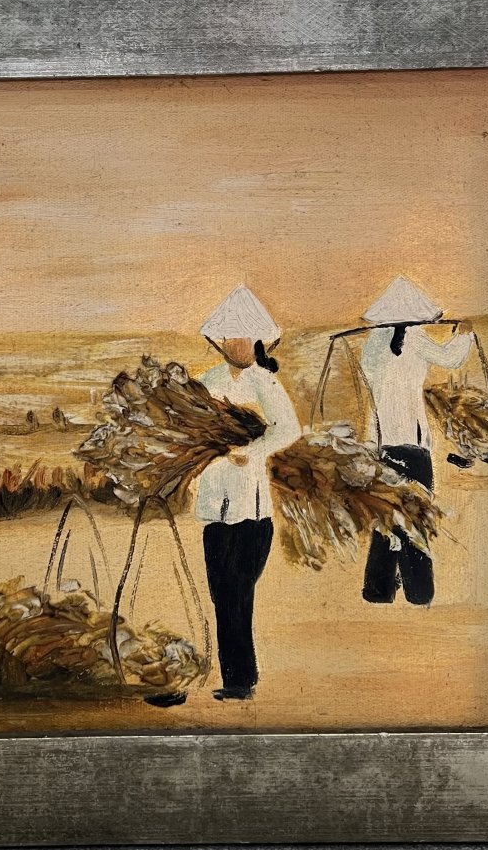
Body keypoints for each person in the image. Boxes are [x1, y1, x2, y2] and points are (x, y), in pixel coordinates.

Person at [196, 286, 301, 700]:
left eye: (242, 337)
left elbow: (289, 429)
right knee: (223, 596)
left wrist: (251, 451)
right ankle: (238, 678)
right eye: (229, 337)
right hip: (214, 508)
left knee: (238, 594)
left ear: (257, 341)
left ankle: (240, 678)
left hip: (251, 512)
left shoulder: (264, 382)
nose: (235, 345)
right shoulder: (207, 383)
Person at [359, 277, 473, 606]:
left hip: (382, 447)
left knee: (385, 517)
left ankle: (378, 589)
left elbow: (374, 383)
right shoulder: (415, 338)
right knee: (417, 519)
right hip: (413, 448)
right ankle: (419, 591)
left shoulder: (372, 346)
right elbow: (450, 358)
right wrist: (464, 335)